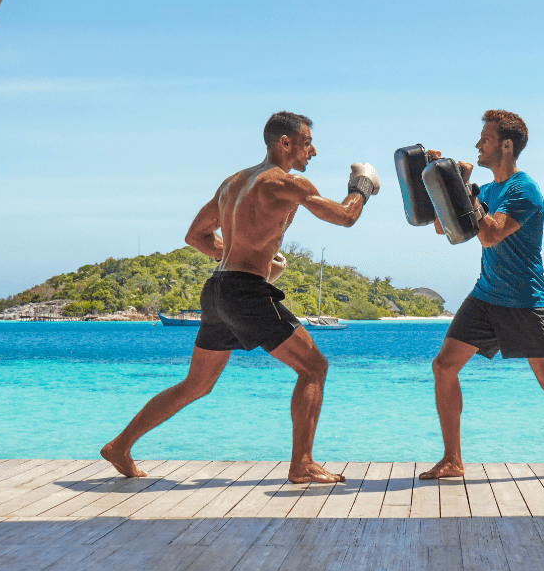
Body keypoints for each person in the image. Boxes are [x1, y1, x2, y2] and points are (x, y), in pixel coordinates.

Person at [101, 111, 379, 483]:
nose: (313, 150)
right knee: (313, 367)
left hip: (217, 289)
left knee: (196, 383)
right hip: (245, 292)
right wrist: (362, 184)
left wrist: (241, 253)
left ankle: (120, 445)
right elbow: (346, 216)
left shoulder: (233, 183)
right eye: (307, 142)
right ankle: (302, 464)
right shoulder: (286, 183)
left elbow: (195, 236)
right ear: (285, 143)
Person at [419, 110, 544, 481]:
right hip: (485, 296)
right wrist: (439, 180)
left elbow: (490, 234)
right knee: (443, 366)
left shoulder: (523, 190)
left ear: (505, 145)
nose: (477, 145)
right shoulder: (486, 191)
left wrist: (461, 185)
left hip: (524, 301)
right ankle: (453, 459)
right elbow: (443, 229)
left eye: (484, 139)